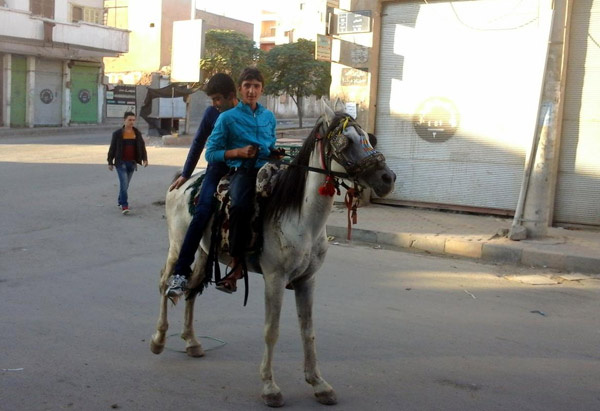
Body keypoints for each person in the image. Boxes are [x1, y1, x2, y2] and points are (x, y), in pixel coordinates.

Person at [165, 73, 239, 299]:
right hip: (216, 169)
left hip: (244, 170)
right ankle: (180, 272)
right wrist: (186, 173)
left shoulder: (245, 112)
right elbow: (198, 142)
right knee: (202, 210)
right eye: (213, 100)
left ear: (231, 96)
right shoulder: (211, 114)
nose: (215, 104)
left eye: (218, 99)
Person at [204, 67, 277, 294]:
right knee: (240, 207)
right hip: (243, 172)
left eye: (256, 86)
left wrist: (277, 153)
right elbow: (210, 152)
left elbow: (271, 144)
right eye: (247, 86)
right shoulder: (227, 118)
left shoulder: (268, 116)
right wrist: (237, 153)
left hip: (270, 169)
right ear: (240, 89)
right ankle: (236, 265)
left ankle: (290, 262)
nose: (252, 91)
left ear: (262, 89)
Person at [107, 111, 148, 215]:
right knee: (124, 184)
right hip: (121, 163)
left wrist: (145, 159)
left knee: (126, 185)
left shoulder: (137, 133)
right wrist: (110, 162)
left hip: (132, 163)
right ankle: (124, 205)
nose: (132, 122)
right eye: (129, 120)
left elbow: (142, 147)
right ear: (124, 120)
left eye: (133, 120)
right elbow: (112, 148)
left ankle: (120, 200)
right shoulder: (117, 134)